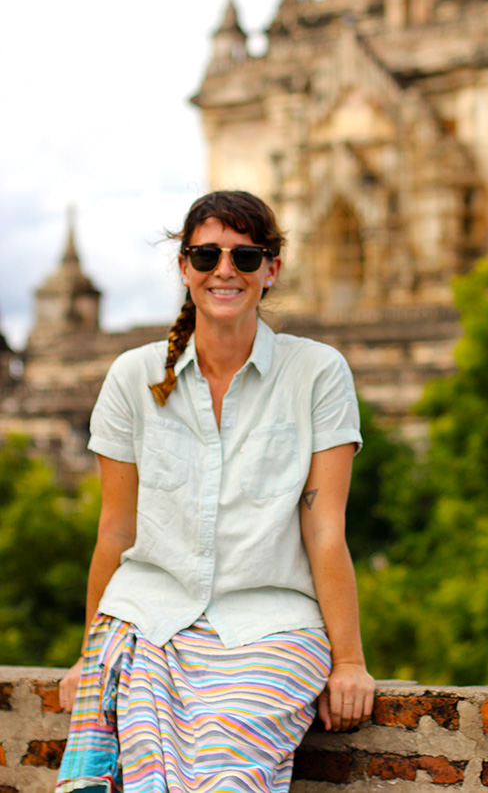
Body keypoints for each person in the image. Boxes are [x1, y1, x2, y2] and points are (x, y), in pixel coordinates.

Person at [56, 190, 375, 793]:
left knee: (231, 776)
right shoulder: (135, 376)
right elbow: (116, 531)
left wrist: (350, 661)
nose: (224, 270)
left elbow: (324, 527)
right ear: (184, 268)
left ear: (271, 269)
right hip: (146, 621)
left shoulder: (317, 372)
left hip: (270, 625)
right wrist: (84, 654)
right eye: (205, 256)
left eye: (245, 256)